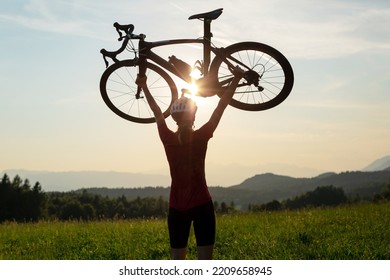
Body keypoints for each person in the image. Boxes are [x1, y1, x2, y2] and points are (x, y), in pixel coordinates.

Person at [136, 67, 244, 260]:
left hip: (177, 207)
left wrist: (143, 85)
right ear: (193, 116)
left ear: (175, 117)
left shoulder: (167, 138)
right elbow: (221, 106)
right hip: (203, 204)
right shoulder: (201, 136)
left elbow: (156, 111)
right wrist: (236, 78)